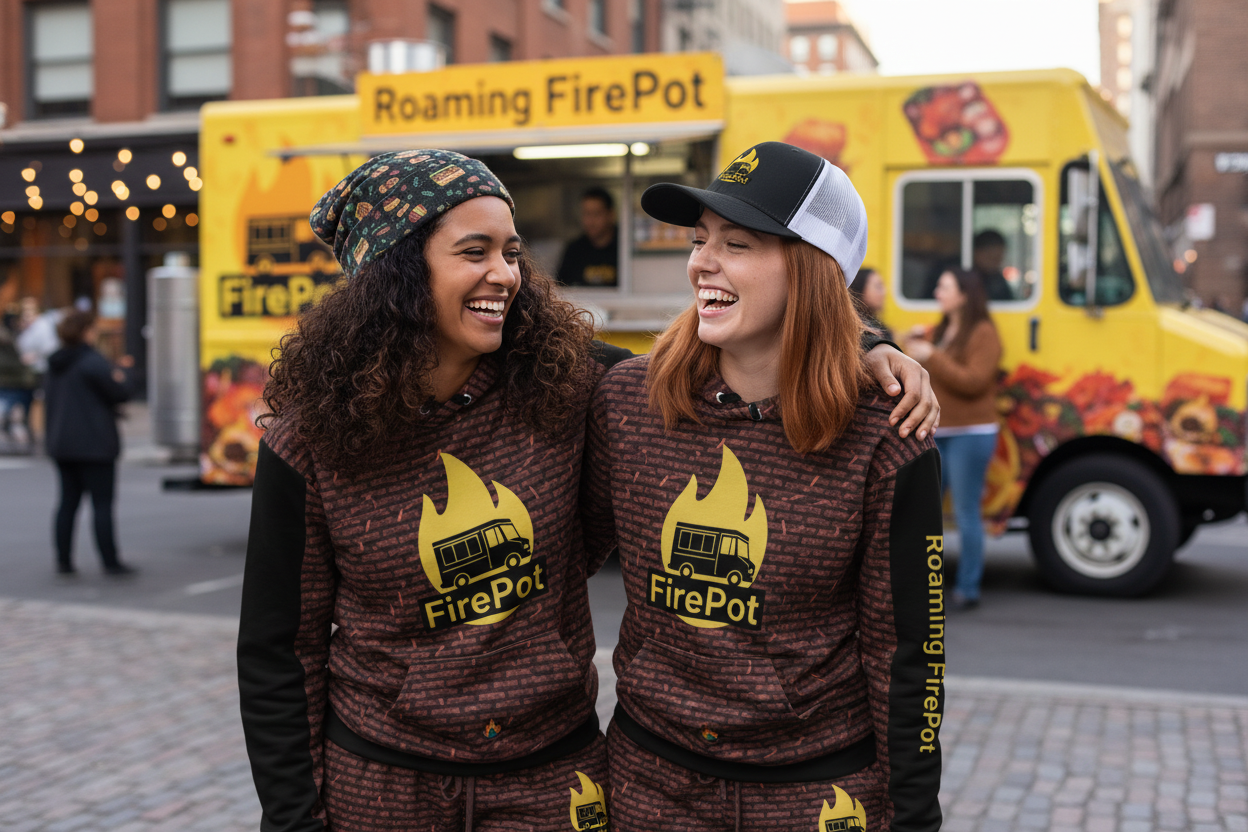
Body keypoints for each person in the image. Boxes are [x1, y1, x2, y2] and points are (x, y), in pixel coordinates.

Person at [238, 149, 939, 832]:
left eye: (512, 253)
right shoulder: (309, 443)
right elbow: (278, 651)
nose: (504, 274)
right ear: (392, 275)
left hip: (560, 780)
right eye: (474, 251)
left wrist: (871, 346)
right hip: (388, 782)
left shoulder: (562, 383)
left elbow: (777, 342)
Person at [583, 142, 945, 831]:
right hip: (651, 789)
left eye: (737, 244)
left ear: (812, 270)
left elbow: (907, 656)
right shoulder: (628, 400)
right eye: (700, 240)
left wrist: (915, 817)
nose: (701, 262)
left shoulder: (885, 433)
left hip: (818, 796)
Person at [903, 267, 1001, 611]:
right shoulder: (942, 329)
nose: (937, 293)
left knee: (965, 511)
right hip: (938, 432)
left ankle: (968, 588)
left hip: (971, 434)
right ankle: (925, 586)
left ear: (964, 295)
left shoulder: (984, 332)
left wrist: (932, 356)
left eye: (944, 287)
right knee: (927, 513)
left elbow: (974, 382)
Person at [43, 310, 134, 576]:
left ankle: (63, 561)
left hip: (62, 443)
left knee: (67, 503)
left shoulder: (55, 363)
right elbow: (119, 392)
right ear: (85, 332)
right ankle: (110, 561)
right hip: (95, 444)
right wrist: (124, 372)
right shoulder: (92, 361)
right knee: (102, 504)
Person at [557, 187, 619, 287]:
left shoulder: (622, 247)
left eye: (596, 214)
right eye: (586, 214)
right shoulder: (574, 250)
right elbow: (560, 287)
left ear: (610, 215)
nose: (590, 221)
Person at [0, 322, 37, 450]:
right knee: (13, 414)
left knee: (17, 414)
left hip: (16, 382)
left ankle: (24, 441)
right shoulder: (7, 339)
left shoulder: (11, 337)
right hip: (12, 382)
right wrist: (22, 361)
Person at [848, 266, 893, 342]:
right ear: (859, 290)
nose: (884, 292)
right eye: (878, 287)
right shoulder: (855, 329)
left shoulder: (876, 323)